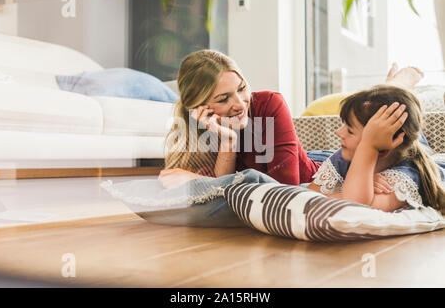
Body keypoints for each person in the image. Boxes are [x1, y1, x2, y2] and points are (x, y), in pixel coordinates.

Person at [159, 49, 424, 189]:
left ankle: (397, 86)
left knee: (400, 137)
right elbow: (213, 195)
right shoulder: (196, 129)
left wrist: (204, 182)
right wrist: (227, 143)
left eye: (241, 89)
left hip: (315, 171)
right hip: (304, 157)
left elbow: (286, 188)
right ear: (198, 107)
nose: (240, 105)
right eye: (223, 99)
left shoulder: (268, 104)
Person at [308, 85, 445, 213]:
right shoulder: (344, 155)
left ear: (383, 150)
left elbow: (355, 209)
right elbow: (306, 197)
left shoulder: (406, 176)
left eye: (350, 130)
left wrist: (368, 148)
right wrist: (363, 185)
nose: (339, 133)